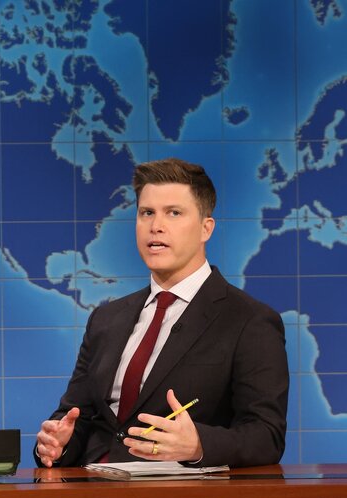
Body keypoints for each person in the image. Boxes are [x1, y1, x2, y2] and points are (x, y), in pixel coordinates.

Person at [36, 158, 288, 468]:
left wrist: (198, 445)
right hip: (92, 495)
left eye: (174, 213)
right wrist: (57, 444)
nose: (156, 225)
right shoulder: (106, 320)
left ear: (205, 228)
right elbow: (77, 416)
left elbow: (266, 436)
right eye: (147, 213)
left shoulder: (249, 321)